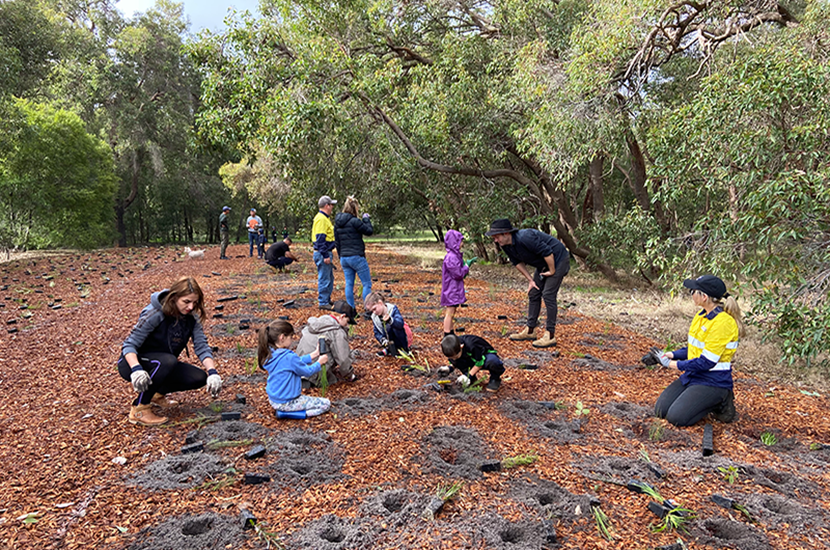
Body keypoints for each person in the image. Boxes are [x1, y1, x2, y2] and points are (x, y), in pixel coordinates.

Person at [117, 277, 223, 426]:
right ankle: (139, 409)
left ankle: (156, 394)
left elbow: (201, 346)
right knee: (167, 361)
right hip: (134, 364)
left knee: (198, 377)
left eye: (195, 302)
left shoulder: (191, 318)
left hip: (163, 364)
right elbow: (129, 345)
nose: (191, 307)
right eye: (186, 302)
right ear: (174, 298)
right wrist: (136, 369)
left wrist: (213, 372)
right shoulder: (154, 313)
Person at [654, 275, 744, 427]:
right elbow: (695, 349)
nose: (691, 294)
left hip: (714, 380)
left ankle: (722, 402)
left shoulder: (723, 323)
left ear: (704, 296)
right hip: (694, 375)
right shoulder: (701, 315)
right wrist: (670, 354)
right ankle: (699, 400)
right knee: (660, 411)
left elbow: (706, 362)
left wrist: (670, 364)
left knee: (676, 418)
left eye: (693, 291)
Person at [485, 219, 570, 348]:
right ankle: (530, 330)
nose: (495, 240)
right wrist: (531, 280)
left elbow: (548, 252)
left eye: (497, 237)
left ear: (506, 233)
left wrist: (552, 271)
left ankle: (550, 335)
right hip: (542, 264)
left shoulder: (525, 237)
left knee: (548, 294)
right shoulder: (506, 246)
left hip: (557, 259)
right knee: (534, 292)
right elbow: (517, 263)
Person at [258, 320, 331, 419]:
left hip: (274, 399)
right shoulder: (288, 357)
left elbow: (294, 363)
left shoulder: (270, 353)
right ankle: (288, 414)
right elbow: (307, 372)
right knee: (326, 404)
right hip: (288, 402)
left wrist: (314, 354)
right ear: (282, 338)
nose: (292, 340)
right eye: (291, 337)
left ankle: (285, 411)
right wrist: (319, 362)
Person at [295, 300, 357, 387]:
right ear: (342, 316)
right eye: (347, 321)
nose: (346, 325)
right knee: (336, 351)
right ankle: (316, 379)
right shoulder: (337, 331)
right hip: (316, 373)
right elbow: (343, 359)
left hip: (298, 368)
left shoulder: (317, 323)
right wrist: (349, 375)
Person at [334, 196, 374, 309]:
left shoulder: (337, 223)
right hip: (357, 256)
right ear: (355, 208)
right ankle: (368, 309)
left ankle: (351, 310)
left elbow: (337, 241)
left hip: (344, 257)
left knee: (349, 284)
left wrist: (340, 255)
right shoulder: (355, 221)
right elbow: (369, 231)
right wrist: (366, 219)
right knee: (366, 284)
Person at [440, 229, 476, 337]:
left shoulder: (454, 256)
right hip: (451, 289)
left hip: (453, 289)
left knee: (452, 311)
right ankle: (447, 334)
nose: (462, 244)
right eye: (460, 241)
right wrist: (466, 267)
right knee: (450, 312)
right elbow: (458, 274)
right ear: (454, 242)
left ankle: (451, 332)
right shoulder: (451, 257)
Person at [440, 333, 504, 392]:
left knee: (492, 361)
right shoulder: (453, 348)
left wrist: (468, 376)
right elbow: (456, 361)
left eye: (455, 357)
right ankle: (472, 379)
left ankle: (495, 379)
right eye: (452, 358)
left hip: (484, 355)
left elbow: (480, 362)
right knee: (459, 359)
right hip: (471, 358)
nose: (454, 359)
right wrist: (449, 368)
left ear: (461, 346)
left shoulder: (471, 345)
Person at [364, 291, 412, 357]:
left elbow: (400, 323)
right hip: (388, 338)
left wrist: (390, 320)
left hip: (401, 337)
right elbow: (376, 331)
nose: (374, 312)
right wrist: (382, 340)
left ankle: (403, 348)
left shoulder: (393, 310)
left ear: (380, 303)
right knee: (384, 331)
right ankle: (390, 348)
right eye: (372, 311)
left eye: (374, 309)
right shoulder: (375, 317)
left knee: (394, 328)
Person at [312, 195, 338, 308]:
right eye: (331, 205)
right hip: (323, 253)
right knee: (324, 277)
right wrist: (325, 255)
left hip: (325, 252)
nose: (332, 207)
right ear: (327, 206)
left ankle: (326, 299)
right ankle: (323, 302)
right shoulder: (321, 219)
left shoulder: (324, 218)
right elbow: (320, 239)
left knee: (329, 277)